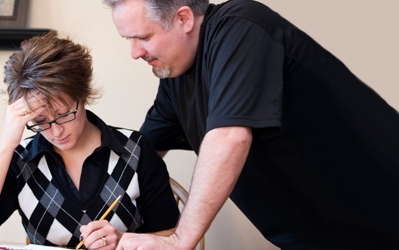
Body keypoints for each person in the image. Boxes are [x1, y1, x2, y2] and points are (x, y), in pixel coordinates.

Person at [102, 0, 399, 249]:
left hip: (383, 215)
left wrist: (179, 240)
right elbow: (137, 160)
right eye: (129, 40)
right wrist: (99, 220)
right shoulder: (175, 78)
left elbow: (230, 137)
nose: (135, 52)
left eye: (144, 37)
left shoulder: (241, 26)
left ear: (183, 18)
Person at [0, 32, 180, 249]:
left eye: (63, 114)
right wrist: (6, 143)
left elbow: (170, 235)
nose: (56, 131)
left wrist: (121, 241)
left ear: (82, 96)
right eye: (40, 120)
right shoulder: (22, 160)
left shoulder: (134, 149)